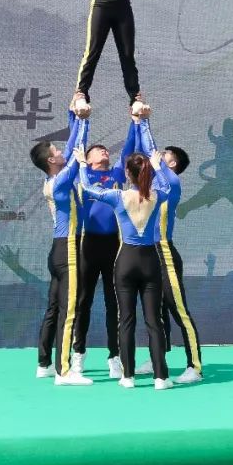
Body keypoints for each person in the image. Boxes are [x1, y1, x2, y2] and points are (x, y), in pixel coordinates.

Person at [75, 146, 173, 390]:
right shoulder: (157, 195)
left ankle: (127, 376)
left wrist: (81, 166)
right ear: (147, 173)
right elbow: (168, 187)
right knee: (154, 321)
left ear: (127, 174)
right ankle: (161, 377)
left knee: (126, 319)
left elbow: (87, 189)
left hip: (126, 261)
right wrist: (159, 166)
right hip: (150, 260)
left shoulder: (118, 196)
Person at [131, 116, 203, 384]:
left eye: (164, 155)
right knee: (155, 311)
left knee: (178, 309)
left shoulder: (170, 181)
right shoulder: (153, 181)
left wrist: (144, 120)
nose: (158, 155)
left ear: (171, 164)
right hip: (147, 253)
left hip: (165, 254)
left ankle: (194, 366)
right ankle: (157, 358)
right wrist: (136, 124)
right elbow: (144, 153)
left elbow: (150, 151)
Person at [29, 108, 93, 386]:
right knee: (69, 310)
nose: (61, 151)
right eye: (57, 151)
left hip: (57, 250)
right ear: (52, 161)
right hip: (67, 249)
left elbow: (71, 145)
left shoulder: (52, 178)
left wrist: (76, 117)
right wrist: (84, 122)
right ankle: (64, 371)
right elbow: (77, 150)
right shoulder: (59, 182)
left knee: (53, 308)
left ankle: (43, 364)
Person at [71, 118, 139, 378]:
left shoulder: (117, 174)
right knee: (84, 301)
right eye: (98, 150)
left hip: (114, 245)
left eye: (105, 150)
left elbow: (129, 149)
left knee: (114, 303)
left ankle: (114, 356)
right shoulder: (83, 173)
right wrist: (82, 119)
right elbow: (78, 145)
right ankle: (79, 355)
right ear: (87, 159)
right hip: (89, 245)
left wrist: (134, 122)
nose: (104, 151)